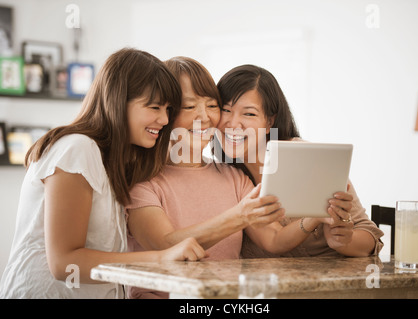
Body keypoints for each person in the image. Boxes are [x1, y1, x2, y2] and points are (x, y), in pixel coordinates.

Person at [125, 56, 350, 299]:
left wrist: (316, 214)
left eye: (212, 106)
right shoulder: (143, 182)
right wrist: (238, 216)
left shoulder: (233, 177)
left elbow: (274, 239)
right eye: (189, 107)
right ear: (166, 114)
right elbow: (166, 246)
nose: (205, 116)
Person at [0, 48, 206, 299]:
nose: (164, 120)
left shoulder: (111, 161)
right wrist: (161, 258)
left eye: (168, 109)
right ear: (119, 101)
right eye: (154, 107)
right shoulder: (77, 149)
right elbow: (65, 264)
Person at [214, 64, 384, 259]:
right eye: (225, 110)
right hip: (269, 285)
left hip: (332, 279)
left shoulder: (310, 160)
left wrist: (343, 240)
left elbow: (369, 236)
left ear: (269, 122)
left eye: (249, 113)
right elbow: (274, 239)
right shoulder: (223, 177)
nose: (234, 124)